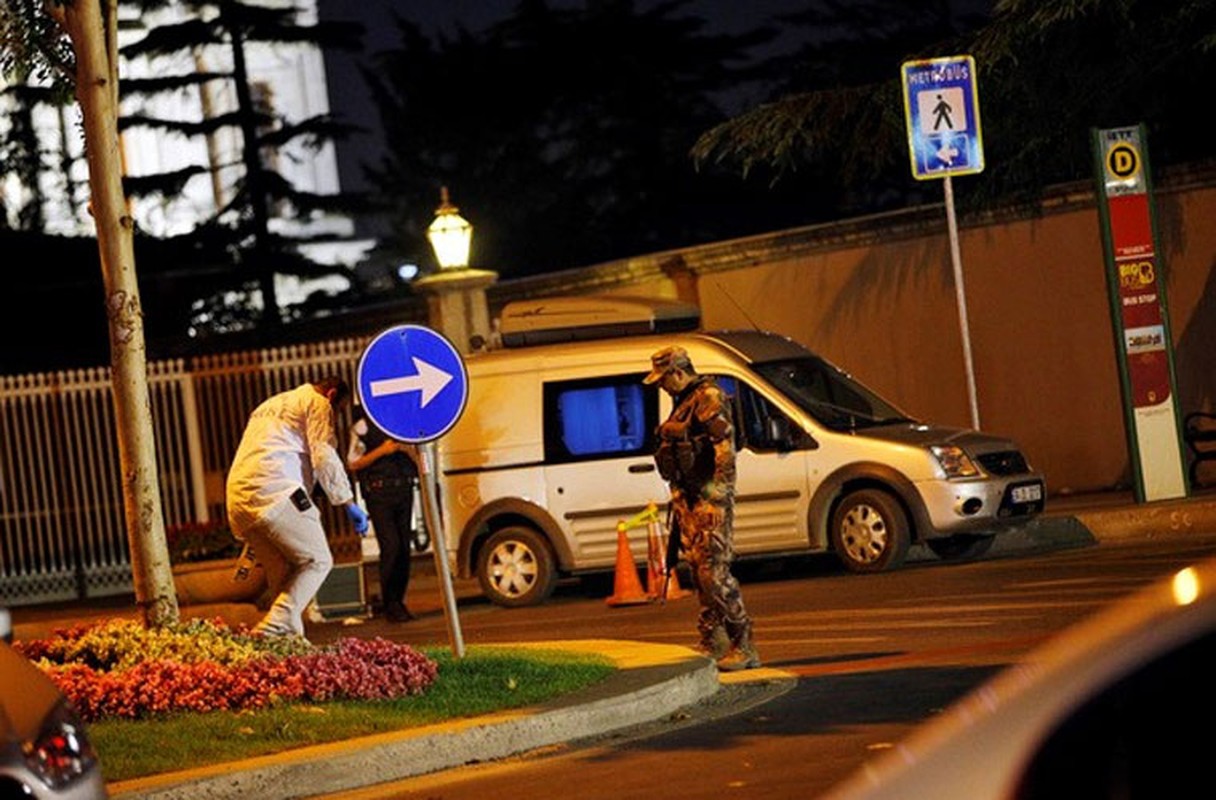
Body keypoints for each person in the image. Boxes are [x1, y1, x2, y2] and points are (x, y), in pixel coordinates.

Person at [225, 376, 370, 639]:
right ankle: (274, 625)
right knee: (318, 560)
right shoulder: (317, 402)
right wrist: (348, 503)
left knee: (285, 579)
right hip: (275, 492)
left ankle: (288, 648)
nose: (335, 417)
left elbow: (281, 451)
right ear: (332, 394)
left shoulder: (270, 404)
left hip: (239, 501)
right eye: (338, 409)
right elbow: (323, 455)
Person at [645, 345, 761, 671]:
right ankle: (715, 639)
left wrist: (717, 494)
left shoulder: (708, 397)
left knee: (715, 573)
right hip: (689, 498)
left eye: (663, 379)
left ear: (678, 372)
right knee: (700, 571)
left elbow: (725, 448)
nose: (661, 386)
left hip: (709, 500)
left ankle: (743, 643)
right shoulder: (682, 402)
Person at [346, 405, 421, 622]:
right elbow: (353, 462)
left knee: (404, 548)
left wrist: (406, 448)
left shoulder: (402, 426)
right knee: (391, 546)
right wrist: (382, 451)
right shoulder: (363, 426)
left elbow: (419, 457)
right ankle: (390, 603)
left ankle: (399, 601)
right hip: (379, 492)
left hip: (403, 489)